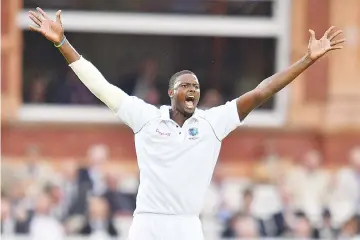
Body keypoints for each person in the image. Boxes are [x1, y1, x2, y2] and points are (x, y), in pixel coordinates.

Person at [28, 7, 345, 240]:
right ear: (170, 93)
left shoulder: (213, 122)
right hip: (147, 223)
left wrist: (307, 60)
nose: (192, 89)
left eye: (195, 86)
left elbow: (263, 90)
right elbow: (101, 87)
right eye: (185, 85)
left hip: (187, 225)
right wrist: (62, 43)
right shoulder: (147, 118)